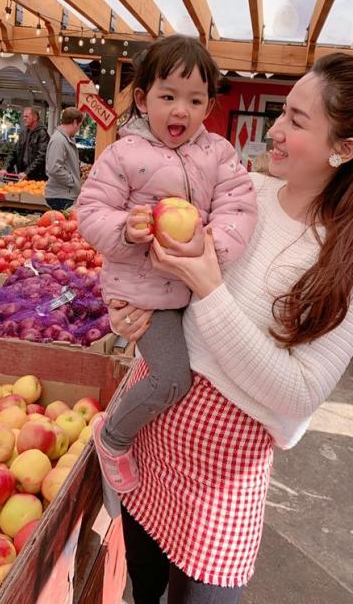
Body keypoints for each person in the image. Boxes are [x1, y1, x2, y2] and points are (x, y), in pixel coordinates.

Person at [107, 53, 353, 603]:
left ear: (343, 150)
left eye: (297, 121)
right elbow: (158, 277)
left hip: (225, 470)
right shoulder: (239, 191)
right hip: (152, 427)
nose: (273, 130)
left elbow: (297, 394)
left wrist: (209, 287)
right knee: (142, 586)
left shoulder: (351, 263)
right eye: (282, 113)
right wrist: (133, 313)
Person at [76, 35, 258, 493]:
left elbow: (239, 205)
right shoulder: (123, 155)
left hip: (193, 289)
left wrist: (211, 250)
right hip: (145, 295)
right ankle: (113, 436)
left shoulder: (217, 153)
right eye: (168, 96)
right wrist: (126, 229)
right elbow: (91, 210)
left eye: (196, 100)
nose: (182, 110)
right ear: (142, 99)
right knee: (172, 378)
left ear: (208, 106)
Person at [45, 107, 84, 211]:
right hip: (61, 196)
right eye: (79, 126)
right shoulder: (59, 140)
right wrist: (72, 181)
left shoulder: (64, 139)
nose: (78, 129)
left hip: (64, 194)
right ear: (75, 122)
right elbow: (54, 168)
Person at [0, 107, 49, 181]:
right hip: (23, 176)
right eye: (23, 116)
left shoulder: (42, 134)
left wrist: (27, 172)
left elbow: (41, 157)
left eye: (26, 116)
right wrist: (5, 168)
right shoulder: (23, 133)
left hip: (37, 179)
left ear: (35, 118)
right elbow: (14, 152)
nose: (24, 119)